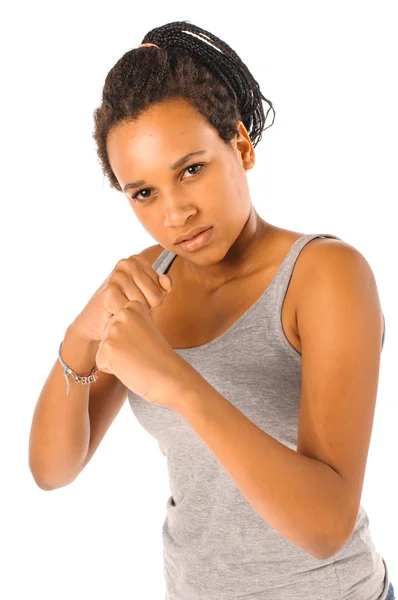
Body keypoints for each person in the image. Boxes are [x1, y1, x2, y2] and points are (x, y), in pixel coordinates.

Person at [29, 20, 393, 600]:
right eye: (143, 192)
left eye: (191, 169)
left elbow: (327, 526)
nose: (175, 214)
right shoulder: (152, 282)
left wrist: (179, 385)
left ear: (241, 147)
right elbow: (53, 470)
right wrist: (82, 334)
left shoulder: (325, 276)